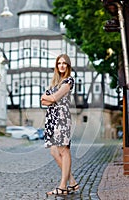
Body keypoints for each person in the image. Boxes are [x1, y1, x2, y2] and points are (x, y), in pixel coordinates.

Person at [41, 54, 79, 196]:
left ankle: (63, 186)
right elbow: (43, 101)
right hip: (51, 118)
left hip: (61, 118)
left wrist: (49, 98)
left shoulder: (68, 81)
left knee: (64, 150)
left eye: (64, 63)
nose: (61, 66)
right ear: (56, 66)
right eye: (59, 63)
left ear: (68, 66)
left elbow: (54, 98)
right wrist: (49, 98)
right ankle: (72, 182)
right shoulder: (55, 83)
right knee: (54, 151)